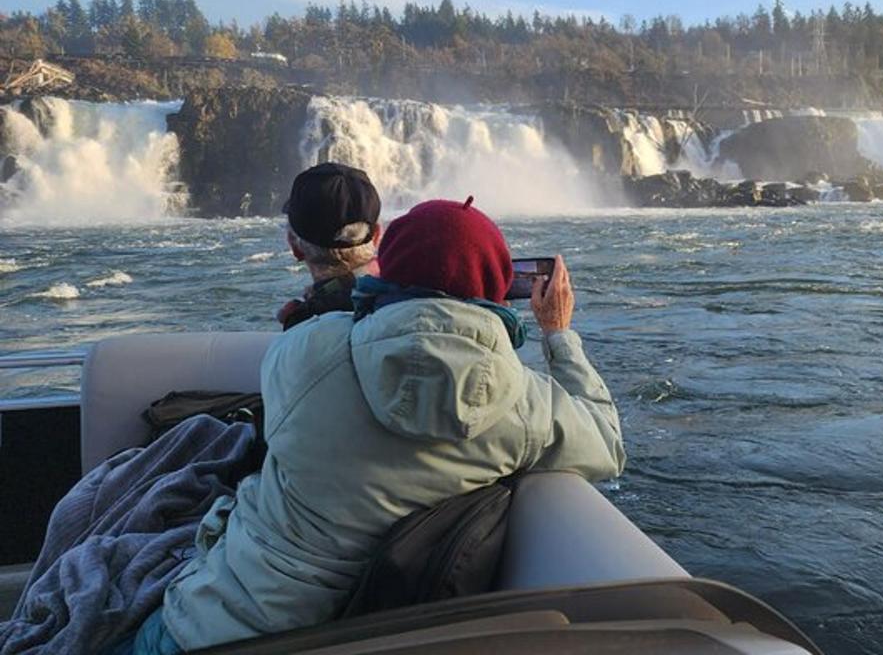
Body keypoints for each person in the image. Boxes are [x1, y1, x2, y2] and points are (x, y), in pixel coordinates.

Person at [127, 196, 624, 653]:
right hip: (357, 636)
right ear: (496, 286)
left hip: (214, 624)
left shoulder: (305, 349)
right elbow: (606, 444)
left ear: (387, 267)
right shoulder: (525, 405)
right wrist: (558, 335)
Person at [275, 162, 382, 331]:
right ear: (376, 236)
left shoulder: (304, 326)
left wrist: (296, 319)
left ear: (294, 245)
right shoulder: (404, 296)